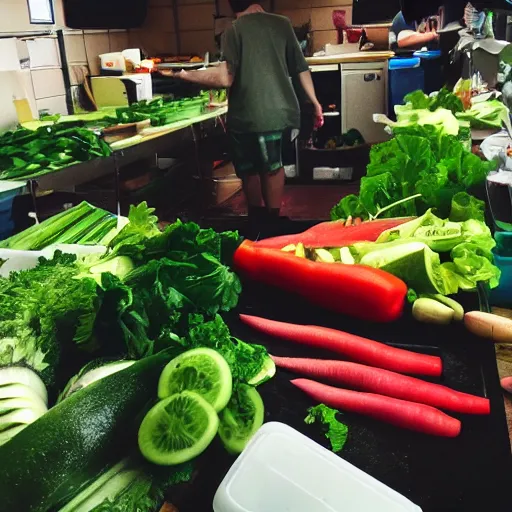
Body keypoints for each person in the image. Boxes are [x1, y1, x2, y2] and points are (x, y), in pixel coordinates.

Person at [160, 1, 323, 234]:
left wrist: (184, 74)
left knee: (249, 169)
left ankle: (256, 222)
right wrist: (315, 102)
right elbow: (301, 68)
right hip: (278, 112)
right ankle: (272, 222)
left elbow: (226, 77)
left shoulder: (233, 30)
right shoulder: (282, 24)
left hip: (246, 115)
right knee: (272, 168)